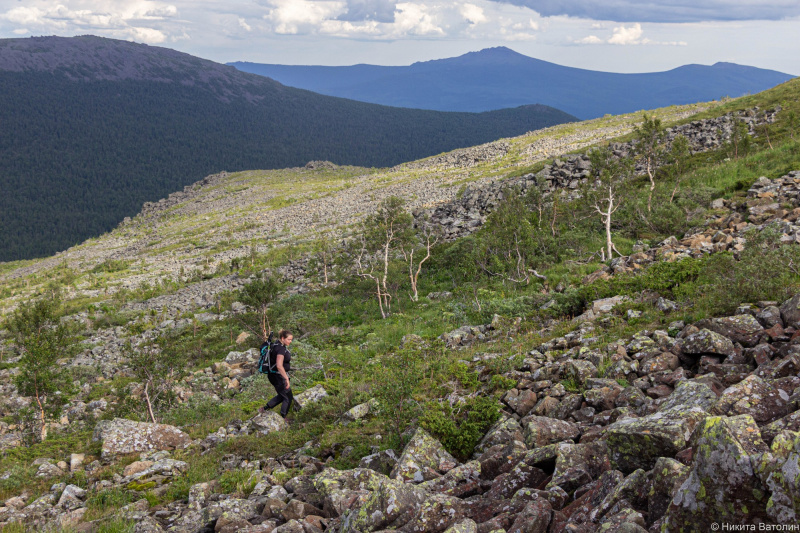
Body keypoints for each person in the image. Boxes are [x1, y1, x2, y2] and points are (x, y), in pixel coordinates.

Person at [259, 329, 296, 419]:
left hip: (273, 375)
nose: (290, 341)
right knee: (288, 397)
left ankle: (264, 408)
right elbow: (279, 366)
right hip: (278, 376)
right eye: (289, 339)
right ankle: (283, 418)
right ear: (283, 338)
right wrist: (286, 378)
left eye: (291, 339)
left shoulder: (275, 344)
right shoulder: (280, 349)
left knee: (282, 395)